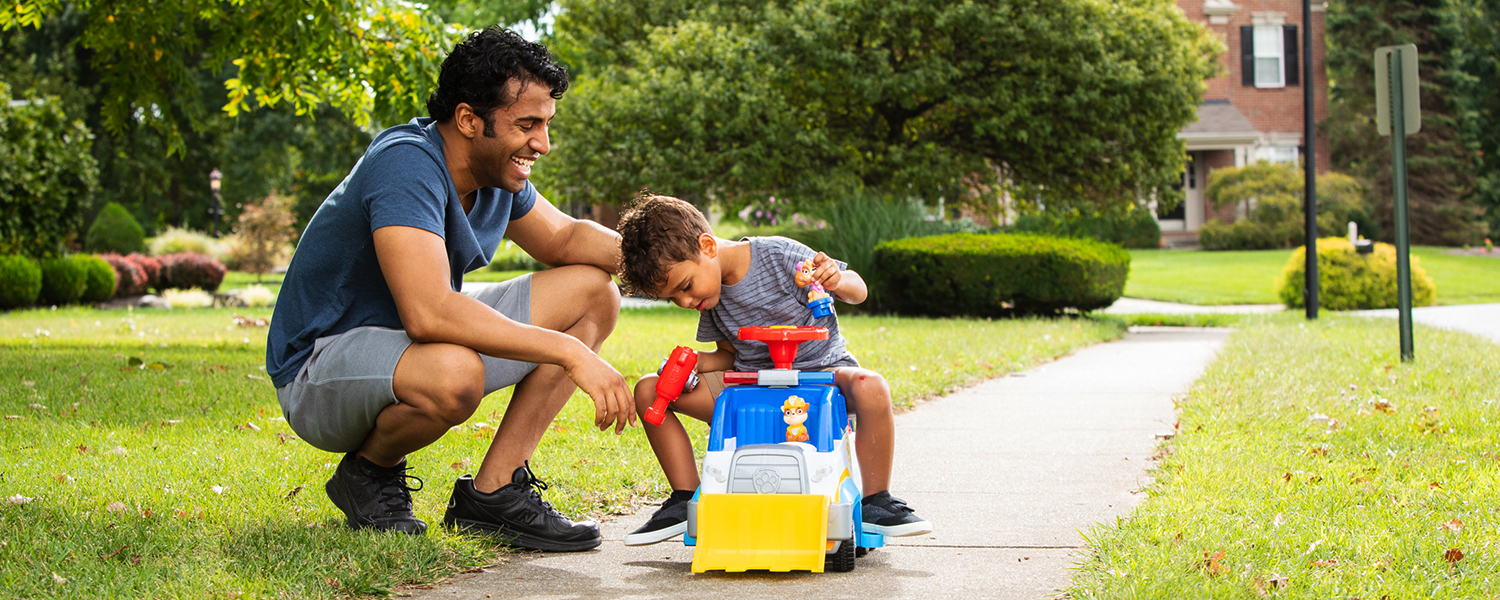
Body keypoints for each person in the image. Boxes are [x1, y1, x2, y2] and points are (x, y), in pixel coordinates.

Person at [265, 27, 636, 553]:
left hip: (408, 347)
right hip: (319, 367)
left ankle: (495, 494)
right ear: (468, 119)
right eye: (527, 125)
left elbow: (565, 238)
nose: (543, 144)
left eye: (546, 125)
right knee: (454, 373)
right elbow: (430, 313)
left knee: (594, 293)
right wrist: (569, 352)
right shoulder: (406, 162)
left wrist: (667, 259)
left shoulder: (496, 176)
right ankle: (369, 474)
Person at [614, 192, 932, 546]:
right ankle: (687, 499)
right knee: (648, 390)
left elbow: (858, 290)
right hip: (753, 387)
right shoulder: (710, 295)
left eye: (685, 287)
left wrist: (837, 281)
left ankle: (876, 502)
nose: (686, 302)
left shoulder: (779, 256)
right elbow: (729, 355)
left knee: (872, 386)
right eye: (673, 298)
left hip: (822, 375)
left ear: (707, 245)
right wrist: (697, 364)